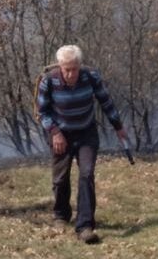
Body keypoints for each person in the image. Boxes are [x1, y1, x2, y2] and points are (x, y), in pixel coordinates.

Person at [35, 45, 128, 244]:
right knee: (60, 179)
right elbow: (42, 112)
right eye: (66, 69)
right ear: (60, 66)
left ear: (79, 65)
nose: (70, 74)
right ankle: (61, 214)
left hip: (86, 132)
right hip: (60, 134)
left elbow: (106, 101)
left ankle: (85, 225)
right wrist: (55, 133)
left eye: (74, 69)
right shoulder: (48, 81)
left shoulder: (91, 77)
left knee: (86, 174)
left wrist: (118, 126)